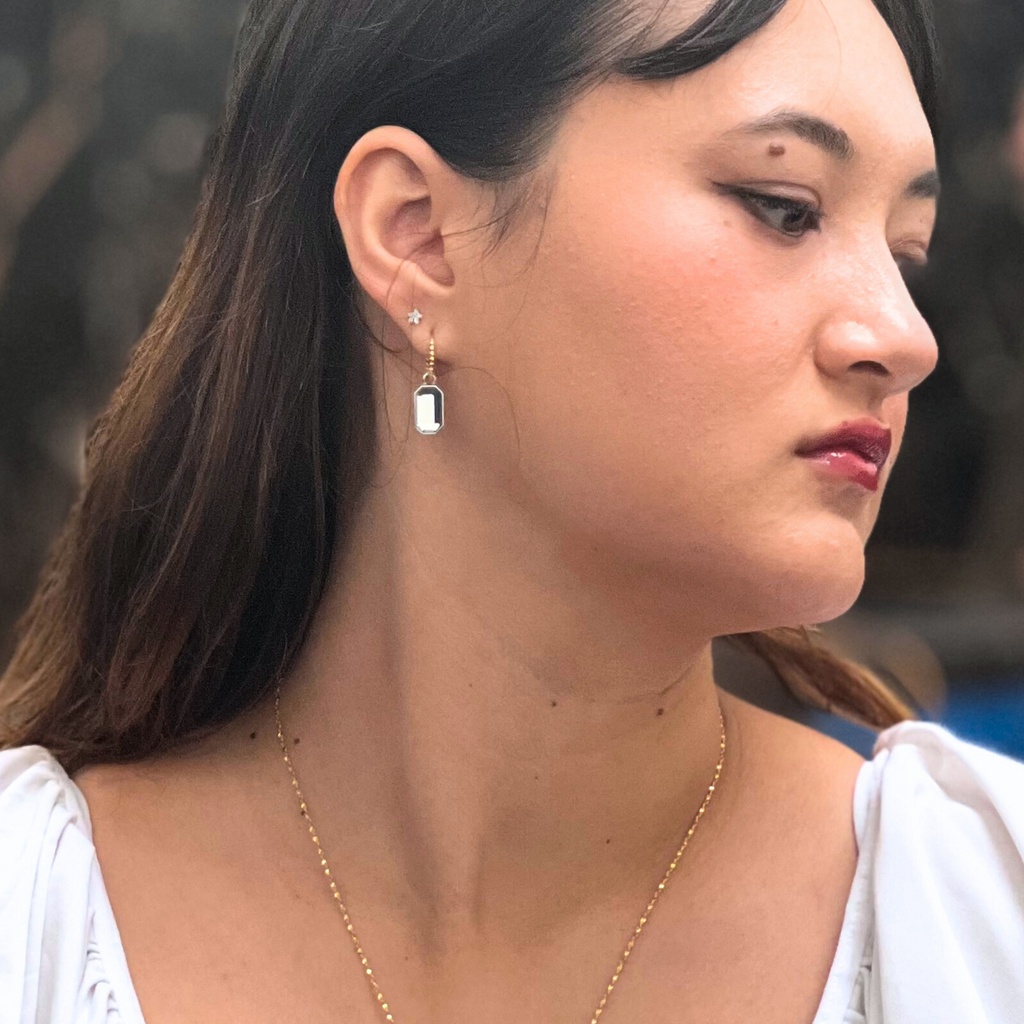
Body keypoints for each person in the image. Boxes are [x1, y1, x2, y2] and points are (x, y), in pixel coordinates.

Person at [1, 0, 1022, 1021]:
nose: (901, 333)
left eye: (907, 251)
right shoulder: (34, 920)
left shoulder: (978, 910)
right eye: (784, 204)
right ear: (419, 237)